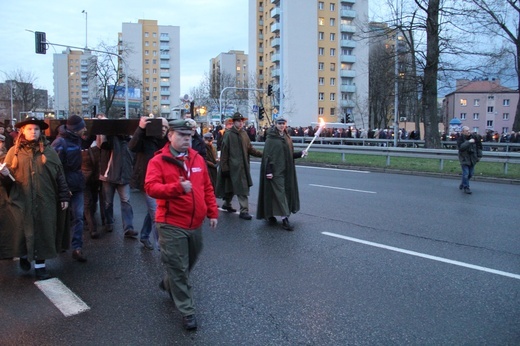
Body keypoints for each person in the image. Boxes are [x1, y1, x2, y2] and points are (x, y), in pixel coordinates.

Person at [144, 119, 218, 331]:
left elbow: (207, 188)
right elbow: (150, 188)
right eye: (181, 135)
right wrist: (177, 188)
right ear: (170, 136)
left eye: (189, 136)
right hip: (170, 223)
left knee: (188, 262)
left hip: (195, 223)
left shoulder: (196, 158)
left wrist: (212, 212)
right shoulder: (158, 161)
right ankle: (187, 311)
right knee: (178, 267)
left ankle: (169, 283)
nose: (186, 139)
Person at [0, 117, 70, 280]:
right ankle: (24, 255)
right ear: (23, 131)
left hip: (45, 199)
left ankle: (40, 266)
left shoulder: (49, 151)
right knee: (23, 230)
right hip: (21, 199)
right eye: (30, 129)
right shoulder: (14, 152)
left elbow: (59, 175)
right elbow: (8, 181)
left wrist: (64, 195)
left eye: (36, 129)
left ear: (40, 132)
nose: (33, 132)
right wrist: (4, 175)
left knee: (44, 230)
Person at [256, 117, 307, 231]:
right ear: (275, 124)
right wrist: (268, 171)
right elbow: (267, 156)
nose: (281, 125)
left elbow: (289, 155)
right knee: (280, 194)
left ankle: (270, 215)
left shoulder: (287, 138)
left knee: (283, 193)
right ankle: (285, 219)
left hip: (286, 171)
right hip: (275, 172)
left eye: (283, 123)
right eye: (279, 123)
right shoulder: (271, 139)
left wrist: (300, 154)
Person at [51, 115, 89, 262]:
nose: (85, 129)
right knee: (63, 218)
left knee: (78, 217)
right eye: (83, 127)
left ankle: (77, 248)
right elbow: (55, 168)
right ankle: (61, 244)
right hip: (65, 186)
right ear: (76, 129)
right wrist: (64, 188)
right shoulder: (60, 142)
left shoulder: (76, 139)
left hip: (77, 184)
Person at [128, 116, 169, 250]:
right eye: (161, 126)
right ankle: (161, 246)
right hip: (147, 181)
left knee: (152, 210)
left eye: (166, 127)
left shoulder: (168, 141)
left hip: (163, 181)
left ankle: (145, 235)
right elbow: (132, 146)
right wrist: (140, 128)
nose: (163, 129)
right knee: (157, 213)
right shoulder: (144, 138)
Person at [216, 112, 262, 220]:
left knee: (240, 187)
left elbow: (250, 148)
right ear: (234, 122)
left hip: (242, 166)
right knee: (232, 187)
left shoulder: (244, 134)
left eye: (242, 121)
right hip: (232, 166)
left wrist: (262, 155)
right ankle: (241, 210)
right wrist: (225, 168)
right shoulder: (228, 135)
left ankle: (234, 207)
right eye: (238, 121)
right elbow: (224, 153)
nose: (241, 123)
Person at [96, 115, 136, 238]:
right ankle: (109, 222)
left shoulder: (130, 141)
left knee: (126, 202)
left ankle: (128, 228)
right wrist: (105, 125)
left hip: (124, 176)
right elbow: (102, 143)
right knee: (108, 202)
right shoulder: (110, 139)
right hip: (109, 176)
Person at [457, 126, 483, 194]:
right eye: (466, 131)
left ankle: (463, 183)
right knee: (466, 173)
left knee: (470, 174)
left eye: (468, 130)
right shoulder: (460, 139)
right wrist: (469, 142)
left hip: (472, 159)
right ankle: (466, 187)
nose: (468, 132)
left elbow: (479, 147)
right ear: (462, 132)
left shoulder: (474, 137)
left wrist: (479, 156)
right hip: (464, 159)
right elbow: (461, 147)